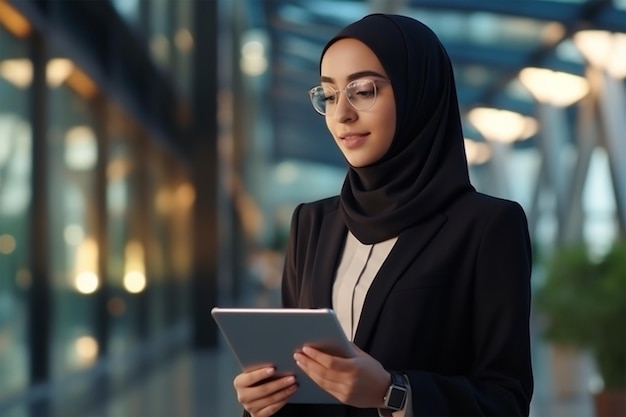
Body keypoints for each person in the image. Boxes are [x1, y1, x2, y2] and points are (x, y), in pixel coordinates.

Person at [233, 13, 533, 417]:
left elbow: (506, 401)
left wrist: (395, 392)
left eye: (364, 90)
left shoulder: (486, 227)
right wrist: (264, 401)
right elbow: (301, 376)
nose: (342, 114)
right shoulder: (312, 223)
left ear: (417, 94)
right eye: (329, 94)